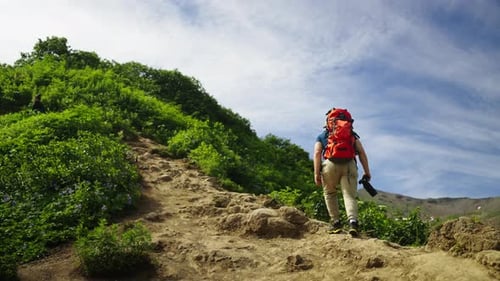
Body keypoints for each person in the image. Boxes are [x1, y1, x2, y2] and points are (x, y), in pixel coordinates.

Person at [313, 110, 371, 236]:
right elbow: (361, 152)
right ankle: (353, 223)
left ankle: (336, 223)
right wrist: (367, 172)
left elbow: (317, 153)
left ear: (329, 122)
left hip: (330, 165)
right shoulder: (352, 135)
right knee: (349, 195)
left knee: (330, 193)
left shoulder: (323, 136)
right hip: (349, 165)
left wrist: (316, 173)